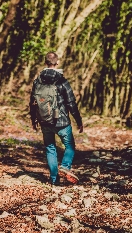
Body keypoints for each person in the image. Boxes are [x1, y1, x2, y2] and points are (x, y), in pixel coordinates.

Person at [29, 52, 83, 186]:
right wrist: (78, 121)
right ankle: (65, 166)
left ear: (45, 62)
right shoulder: (61, 80)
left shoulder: (38, 80)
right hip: (62, 122)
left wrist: (33, 121)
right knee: (70, 146)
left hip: (44, 121)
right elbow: (71, 102)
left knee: (50, 148)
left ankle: (54, 180)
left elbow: (33, 102)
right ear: (57, 63)